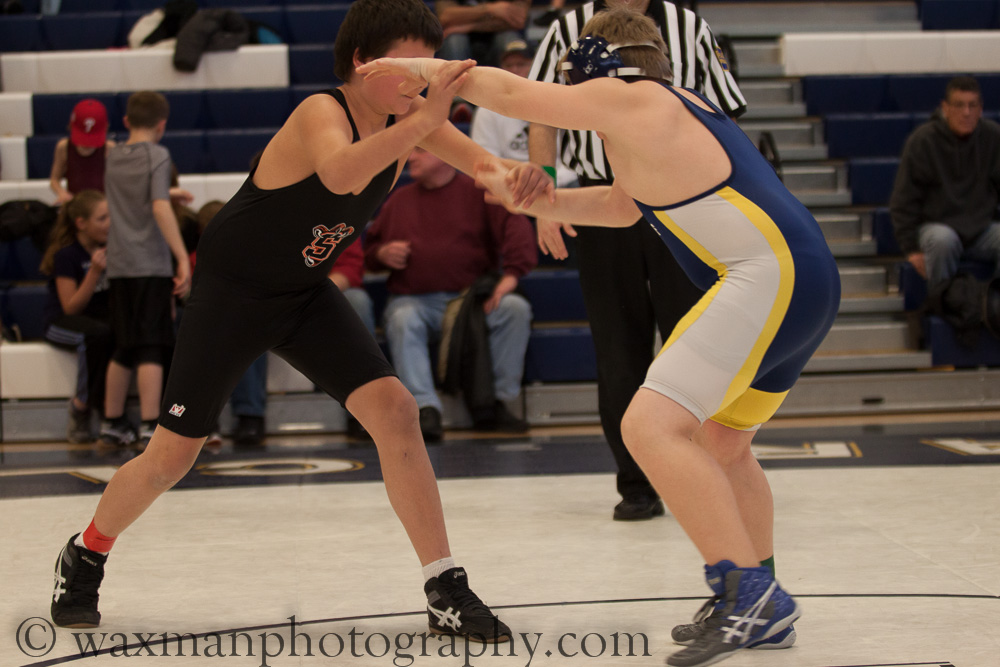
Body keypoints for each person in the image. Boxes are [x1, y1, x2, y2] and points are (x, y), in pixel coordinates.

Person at [50, 0, 548, 643]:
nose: (424, 80)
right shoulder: (324, 111)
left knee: (395, 410)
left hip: (301, 291)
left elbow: (489, 169)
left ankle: (444, 585)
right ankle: (86, 553)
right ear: (367, 66)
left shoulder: (410, 120)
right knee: (170, 458)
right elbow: (342, 173)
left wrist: (528, 181)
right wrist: (425, 118)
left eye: (429, 65)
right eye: (411, 65)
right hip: (232, 292)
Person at [359, 7, 839, 664]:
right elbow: (621, 204)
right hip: (804, 277)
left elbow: (511, 93)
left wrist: (424, 69)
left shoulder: (631, 96)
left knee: (649, 425)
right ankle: (761, 594)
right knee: (723, 445)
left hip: (768, 275)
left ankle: (747, 594)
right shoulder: (666, 115)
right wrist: (542, 203)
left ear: (596, 64)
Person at [527, 0, 747, 523]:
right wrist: (545, 204)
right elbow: (540, 115)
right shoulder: (565, 26)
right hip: (602, 198)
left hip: (683, 198)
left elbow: (725, 114)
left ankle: (706, 469)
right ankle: (637, 483)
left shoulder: (687, 24)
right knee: (618, 346)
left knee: (693, 341)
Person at [365, 146, 536, 442]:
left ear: (445, 155)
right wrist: (382, 254)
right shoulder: (399, 200)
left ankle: (495, 403)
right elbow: (368, 253)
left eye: (420, 151)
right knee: (403, 318)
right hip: (416, 300)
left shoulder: (477, 192)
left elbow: (515, 223)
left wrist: (512, 275)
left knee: (514, 309)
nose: (411, 157)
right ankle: (425, 408)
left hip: (470, 302)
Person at [97, 91, 191, 449]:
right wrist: (181, 257)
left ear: (125, 122)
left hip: (119, 263)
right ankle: (152, 422)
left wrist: (169, 192)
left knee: (124, 345)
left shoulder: (112, 156)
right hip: (148, 262)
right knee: (151, 344)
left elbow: (132, 195)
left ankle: (112, 421)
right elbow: (157, 207)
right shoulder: (158, 154)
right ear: (162, 125)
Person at [890, 75, 1000, 292]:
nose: (966, 112)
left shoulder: (993, 138)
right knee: (942, 240)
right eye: (959, 105)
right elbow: (903, 201)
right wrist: (911, 249)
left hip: (981, 229)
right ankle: (942, 306)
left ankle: (994, 309)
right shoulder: (923, 141)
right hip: (937, 225)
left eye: (972, 105)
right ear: (945, 108)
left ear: (980, 109)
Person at [39, 190, 120, 443]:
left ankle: (111, 412)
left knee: (117, 334)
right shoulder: (67, 255)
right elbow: (70, 308)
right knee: (93, 337)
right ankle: (81, 406)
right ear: (81, 224)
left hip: (97, 321)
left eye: (110, 217)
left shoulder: (111, 249)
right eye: (102, 218)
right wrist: (94, 272)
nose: (109, 224)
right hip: (60, 322)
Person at [470, 39, 576, 187]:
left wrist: (549, 182)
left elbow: (573, 160)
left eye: (521, 64)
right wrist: (517, 182)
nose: (514, 70)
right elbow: (485, 158)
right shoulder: (486, 109)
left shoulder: (555, 101)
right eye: (508, 65)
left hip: (559, 183)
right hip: (509, 183)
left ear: (535, 66)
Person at [49, 99, 115, 205]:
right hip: (75, 206)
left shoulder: (109, 148)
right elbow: (54, 179)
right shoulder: (64, 147)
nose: (87, 145)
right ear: (70, 127)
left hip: (101, 206)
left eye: (93, 140)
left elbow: (117, 182)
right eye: (83, 140)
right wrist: (62, 193)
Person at [434, 0, 529, 65]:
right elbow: (445, 16)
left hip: (501, 35)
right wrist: (491, 9)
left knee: (510, 40)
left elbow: (519, 20)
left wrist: (466, 26)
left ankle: (515, 91)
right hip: (461, 38)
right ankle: (456, 93)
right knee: (455, 41)